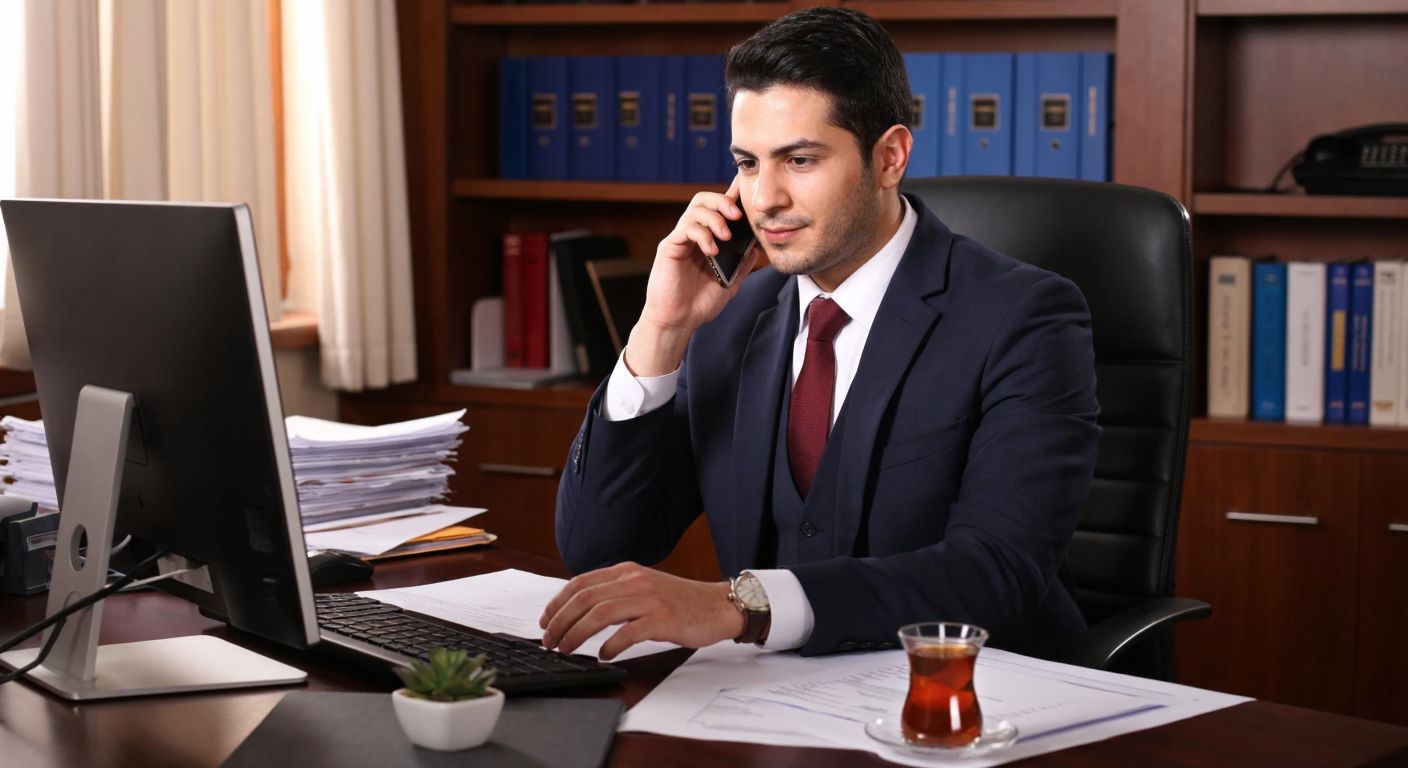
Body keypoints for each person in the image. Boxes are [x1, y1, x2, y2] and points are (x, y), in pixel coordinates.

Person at [539, 7, 1100, 662]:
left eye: (799, 160)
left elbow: (995, 570)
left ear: (889, 157)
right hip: (768, 710)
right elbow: (596, 547)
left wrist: (739, 606)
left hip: (968, 703)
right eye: (747, 164)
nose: (765, 198)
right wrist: (660, 330)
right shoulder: (730, 324)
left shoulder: (1024, 317)